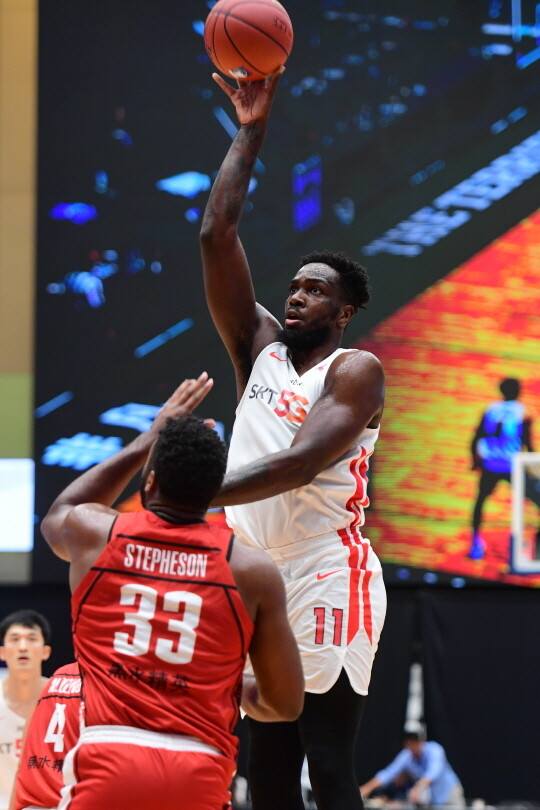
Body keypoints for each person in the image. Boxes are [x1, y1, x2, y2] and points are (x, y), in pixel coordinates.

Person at [200, 70, 386, 810]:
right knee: (266, 772)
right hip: (253, 570)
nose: (297, 295)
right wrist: (250, 131)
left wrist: (196, 492)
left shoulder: (355, 369)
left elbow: (303, 462)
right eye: (295, 287)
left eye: (316, 290)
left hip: (322, 568)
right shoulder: (260, 349)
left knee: (328, 763)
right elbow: (216, 235)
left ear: (344, 312)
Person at [40, 373, 304, 810]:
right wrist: (217, 682)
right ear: (215, 492)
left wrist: (147, 440)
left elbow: (60, 513)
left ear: (149, 482)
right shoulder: (251, 569)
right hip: (199, 768)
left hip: (109, 757)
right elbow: (284, 704)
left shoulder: (96, 534)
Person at [470, 377, 540, 559]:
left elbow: (476, 437)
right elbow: (528, 443)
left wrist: (475, 461)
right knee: (533, 501)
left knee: (480, 501)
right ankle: (529, 546)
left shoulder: (491, 409)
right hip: (512, 466)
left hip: (490, 464)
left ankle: (475, 542)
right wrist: (534, 467)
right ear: (518, 391)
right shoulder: (523, 412)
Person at [9, 662, 82, 810]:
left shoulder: (56, 676)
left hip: (32, 803)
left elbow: (22, 763)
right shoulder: (102, 683)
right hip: (71, 801)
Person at [359, 731, 465, 807]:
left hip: (450, 792)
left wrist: (418, 788)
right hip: (434, 799)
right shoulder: (407, 755)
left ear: (419, 742)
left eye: (412, 745)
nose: (410, 748)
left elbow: (433, 772)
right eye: (407, 746)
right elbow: (388, 773)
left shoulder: (434, 749)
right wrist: (366, 788)